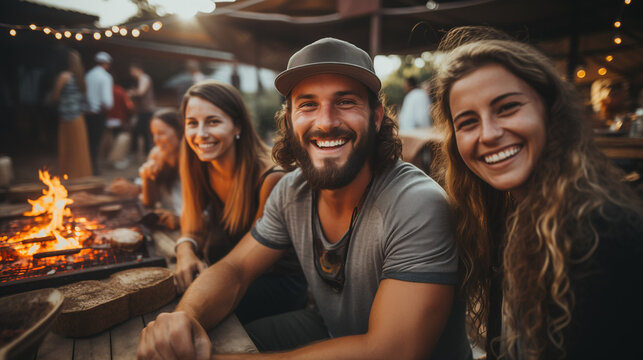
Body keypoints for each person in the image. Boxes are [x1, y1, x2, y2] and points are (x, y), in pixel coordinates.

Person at [138, 38, 471, 360]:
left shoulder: (416, 204)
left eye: (345, 101)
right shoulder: (291, 191)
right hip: (328, 329)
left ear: (376, 116)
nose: (325, 122)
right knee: (234, 335)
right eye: (308, 104)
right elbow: (236, 269)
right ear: (290, 119)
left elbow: (391, 352)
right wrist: (185, 318)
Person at [431, 26, 643, 359]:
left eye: (507, 108)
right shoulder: (505, 219)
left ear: (549, 111)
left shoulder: (604, 234)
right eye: (468, 121)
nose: (488, 133)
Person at [173, 80, 307, 324]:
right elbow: (191, 225)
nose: (200, 133)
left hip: (275, 283)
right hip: (230, 271)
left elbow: (248, 263)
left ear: (237, 126)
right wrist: (184, 250)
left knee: (181, 301)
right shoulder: (202, 168)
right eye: (192, 123)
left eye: (213, 121)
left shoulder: (271, 178)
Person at [107, 108, 183, 229]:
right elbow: (150, 202)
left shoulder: (192, 157)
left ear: (179, 131)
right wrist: (147, 178)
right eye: (153, 134)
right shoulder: (157, 154)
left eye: (161, 133)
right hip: (171, 218)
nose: (156, 140)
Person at [50, 48, 92, 178]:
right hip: (78, 119)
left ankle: (69, 176)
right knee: (79, 150)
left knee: (67, 149)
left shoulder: (63, 77)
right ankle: (81, 176)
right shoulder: (81, 78)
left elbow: (55, 97)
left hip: (67, 118)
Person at [85, 51, 113, 174]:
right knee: (96, 143)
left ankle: (87, 166)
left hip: (87, 112)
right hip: (98, 113)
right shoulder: (106, 77)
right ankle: (94, 168)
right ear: (106, 64)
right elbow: (107, 101)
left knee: (88, 141)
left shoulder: (88, 75)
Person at [128, 62, 156, 157]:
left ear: (138, 69)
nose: (131, 73)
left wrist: (131, 92)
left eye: (132, 70)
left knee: (137, 131)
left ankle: (134, 153)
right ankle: (147, 154)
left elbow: (141, 92)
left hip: (146, 110)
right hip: (143, 110)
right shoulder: (142, 78)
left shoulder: (144, 78)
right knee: (145, 133)